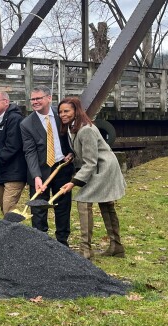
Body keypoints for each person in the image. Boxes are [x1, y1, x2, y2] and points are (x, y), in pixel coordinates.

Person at [58, 97, 126, 259]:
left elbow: (90, 161)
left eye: (67, 111)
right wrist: (72, 156)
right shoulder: (75, 128)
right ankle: (116, 246)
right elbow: (85, 153)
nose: (62, 115)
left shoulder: (86, 130)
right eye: (60, 112)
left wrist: (73, 183)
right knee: (106, 203)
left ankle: (85, 250)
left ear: (76, 111)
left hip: (104, 168)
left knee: (84, 201)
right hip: (99, 166)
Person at [20, 86, 74, 246]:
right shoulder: (26, 124)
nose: (35, 102)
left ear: (49, 98)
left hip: (61, 168)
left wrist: (71, 153)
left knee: (63, 207)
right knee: (38, 209)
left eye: (38, 98)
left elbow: (72, 139)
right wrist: (36, 176)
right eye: (33, 99)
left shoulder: (61, 116)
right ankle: (41, 244)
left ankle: (62, 243)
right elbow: (29, 152)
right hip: (40, 172)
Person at [0, 91, 27, 215]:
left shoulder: (14, 118)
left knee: (9, 209)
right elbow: (5, 141)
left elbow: (13, 145)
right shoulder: (0, 119)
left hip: (14, 172)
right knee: (4, 207)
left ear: (6, 102)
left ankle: (15, 233)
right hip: (3, 172)